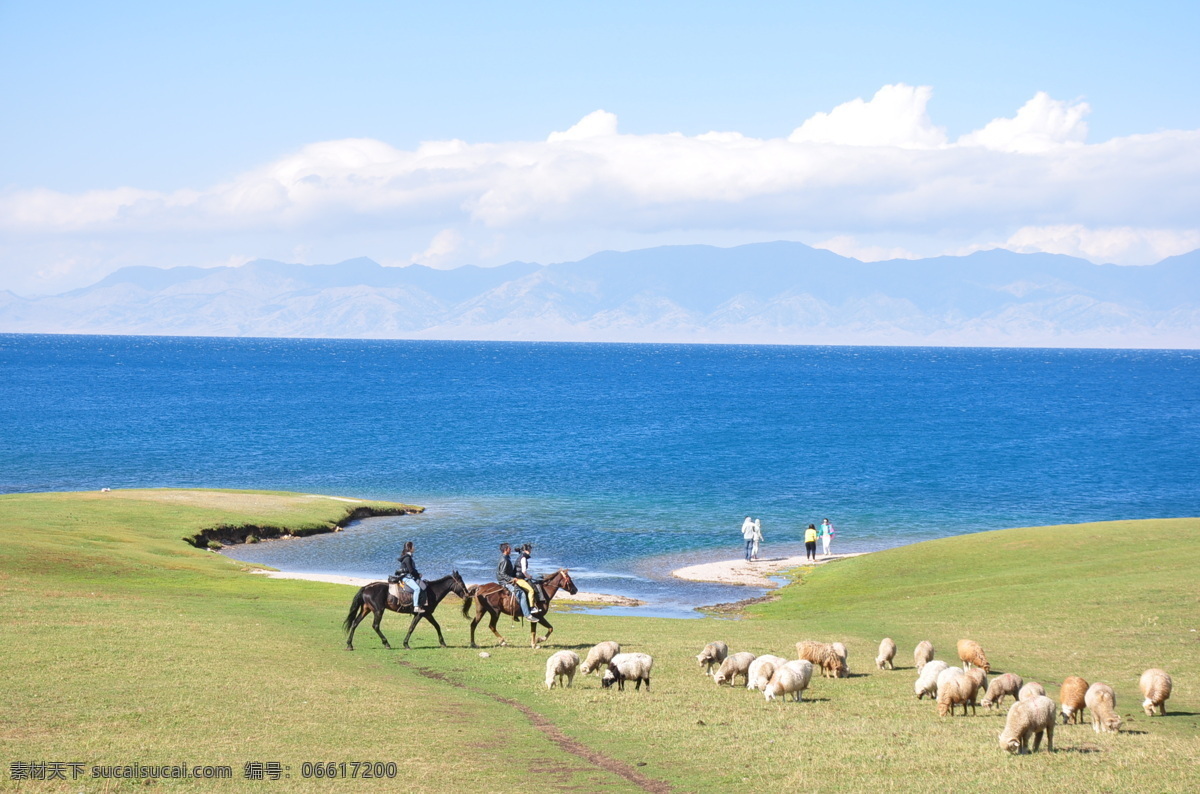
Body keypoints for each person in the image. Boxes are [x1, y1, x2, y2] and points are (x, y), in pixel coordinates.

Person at [496, 542, 537, 623]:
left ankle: (516, 613)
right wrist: (512, 578)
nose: (511, 549)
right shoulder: (504, 559)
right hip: (505, 582)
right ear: (505, 550)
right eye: (509, 548)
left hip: (507, 580)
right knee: (521, 594)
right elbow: (502, 573)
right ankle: (527, 615)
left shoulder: (506, 557)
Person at [395, 541, 425, 613]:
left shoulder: (407, 557)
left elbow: (412, 570)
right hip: (406, 578)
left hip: (408, 576)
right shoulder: (408, 558)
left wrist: (417, 574)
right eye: (413, 546)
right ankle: (416, 607)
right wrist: (418, 575)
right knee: (417, 589)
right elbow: (411, 570)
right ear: (410, 548)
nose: (414, 548)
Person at [515, 543, 545, 614]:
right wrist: (528, 576)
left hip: (520, 577)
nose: (530, 551)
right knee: (531, 590)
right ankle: (532, 608)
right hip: (519, 579)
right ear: (526, 550)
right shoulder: (523, 558)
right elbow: (523, 571)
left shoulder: (521, 557)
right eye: (530, 549)